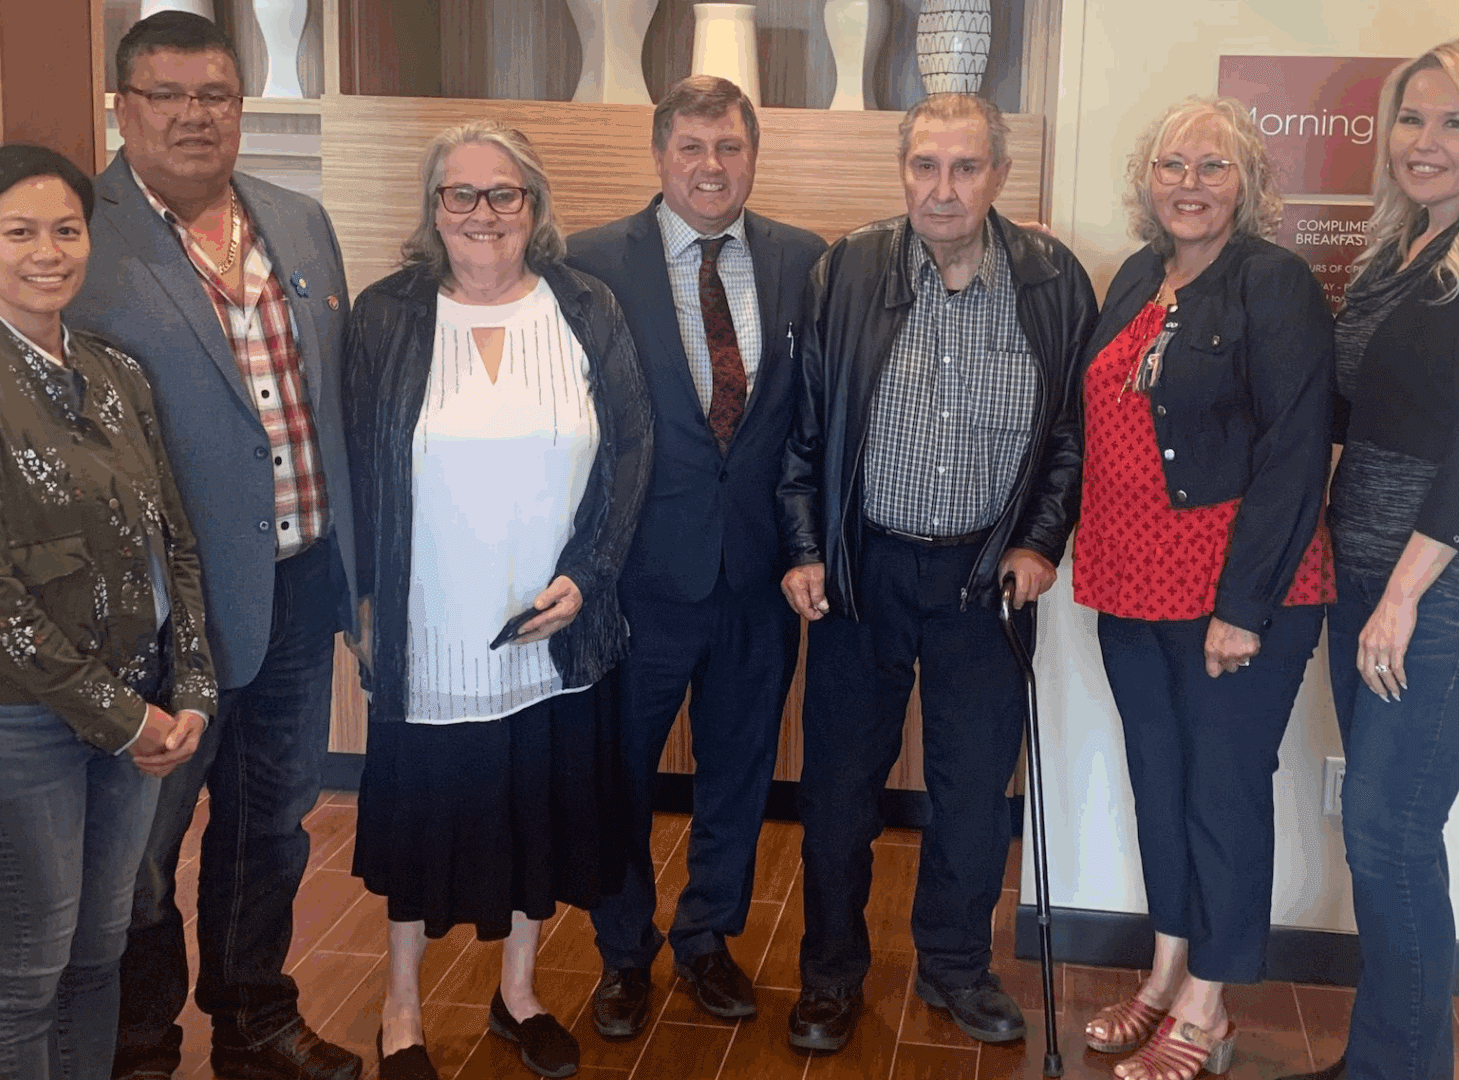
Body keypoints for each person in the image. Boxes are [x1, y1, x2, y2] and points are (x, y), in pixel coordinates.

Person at [67, 12, 363, 1079]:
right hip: (156, 618)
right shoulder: (79, 236)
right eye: (168, 96)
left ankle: (255, 1016)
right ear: (123, 107)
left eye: (217, 97)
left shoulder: (296, 219)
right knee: (140, 851)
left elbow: (331, 403)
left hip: (298, 588)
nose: (196, 116)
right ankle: (141, 1041)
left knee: (271, 825)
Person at [776, 92, 1098, 1053]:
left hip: (985, 582)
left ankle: (956, 968)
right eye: (925, 166)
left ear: (998, 176)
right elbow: (804, 431)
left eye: (964, 168)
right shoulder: (847, 270)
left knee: (969, 798)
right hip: (861, 572)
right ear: (902, 172)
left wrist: (1040, 542)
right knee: (837, 794)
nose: (942, 188)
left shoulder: (1052, 280)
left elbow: (1072, 441)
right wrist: (802, 546)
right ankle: (830, 975)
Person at [0, 143, 214, 1080]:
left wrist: (187, 685)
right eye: (19, 232)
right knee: (28, 973)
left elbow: (175, 541)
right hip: (16, 727)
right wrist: (126, 720)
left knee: (97, 952)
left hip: (140, 719)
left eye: (66, 230)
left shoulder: (118, 374)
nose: (48, 251)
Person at [343, 119, 653, 1080]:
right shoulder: (385, 315)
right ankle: (402, 1010)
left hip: (551, 631)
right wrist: (359, 608)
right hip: (426, 632)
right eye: (459, 195)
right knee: (421, 825)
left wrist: (589, 575)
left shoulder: (585, 305)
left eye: (502, 194)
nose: (482, 214)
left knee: (537, 814)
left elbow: (633, 452)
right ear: (433, 210)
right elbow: (355, 470)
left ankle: (518, 993)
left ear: (534, 205)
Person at [1283, 39, 1459, 1080]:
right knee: (1382, 838)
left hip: (1444, 597)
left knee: (1389, 834)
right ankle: (1382, 1062)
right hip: (1363, 578)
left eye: (1453, 122)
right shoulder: (1399, 249)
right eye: (1409, 119)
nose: (1424, 142)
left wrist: (1401, 595)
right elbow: (1348, 411)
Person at [1069, 98, 1335, 1080]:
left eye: (1210, 167)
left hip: (1233, 587)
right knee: (1161, 780)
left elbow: (1294, 452)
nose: (1187, 183)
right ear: (1147, 180)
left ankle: (1209, 1009)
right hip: (1128, 577)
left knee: (1221, 789)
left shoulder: (1273, 285)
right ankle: (1166, 969)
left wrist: (1241, 605)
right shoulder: (1138, 275)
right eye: (1170, 164)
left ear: (1247, 185)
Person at [561, 75, 826, 1037]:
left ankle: (707, 939)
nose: (711, 167)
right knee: (618, 776)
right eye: (692, 149)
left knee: (740, 773)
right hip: (635, 578)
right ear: (659, 155)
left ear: (753, 155)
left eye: (729, 148)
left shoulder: (804, 259)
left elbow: (815, 418)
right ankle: (623, 954)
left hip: (759, 575)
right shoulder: (589, 262)